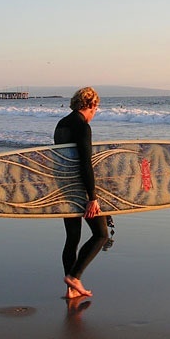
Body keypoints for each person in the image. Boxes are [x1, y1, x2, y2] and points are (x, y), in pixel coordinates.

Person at [54, 87, 108, 298]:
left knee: (72, 238)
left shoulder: (61, 124)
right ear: (91, 105)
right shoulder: (82, 127)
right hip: (80, 190)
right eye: (96, 108)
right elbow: (85, 164)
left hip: (64, 187)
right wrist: (92, 198)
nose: (95, 113)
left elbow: (62, 160)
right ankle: (74, 277)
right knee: (101, 234)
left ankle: (70, 290)